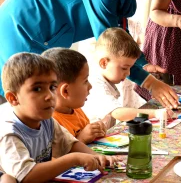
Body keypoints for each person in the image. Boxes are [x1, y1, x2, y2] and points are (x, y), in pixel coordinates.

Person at [0, 0, 179, 109]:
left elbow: (119, 34)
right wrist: (149, 83)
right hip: (20, 36)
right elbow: (111, 46)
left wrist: (143, 64)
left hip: (38, 36)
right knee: (22, 107)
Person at [0, 53, 115, 182]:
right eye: (37, 89)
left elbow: (70, 144)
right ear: (13, 98)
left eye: (52, 87)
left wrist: (96, 156)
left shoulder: (47, 121)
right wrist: (74, 159)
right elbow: (27, 176)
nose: (49, 95)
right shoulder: (10, 133)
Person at [83, 28, 174, 127]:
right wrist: (155, 113)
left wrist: (149, 116)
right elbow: (119, 113)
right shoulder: (96, 84)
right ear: (104, 63)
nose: (128, 73)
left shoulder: (107, 79)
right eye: (124, 68)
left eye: (130, 68)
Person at [42, 48, 106, 144]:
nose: (90, 86)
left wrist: (96, 132)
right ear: (66, 91)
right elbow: (59, 157)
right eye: (85, 81)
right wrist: (81, 139)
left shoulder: (75, 109)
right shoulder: (50, 123)